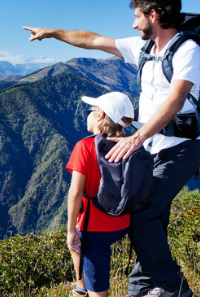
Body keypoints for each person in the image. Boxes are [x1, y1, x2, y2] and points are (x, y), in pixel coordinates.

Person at [22, 0, 200, 297]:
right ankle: (144, 286)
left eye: (137, 17)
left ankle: (173, 288)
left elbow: (176, 100)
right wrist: (53, 32)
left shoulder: (188, 50)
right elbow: (93, 40)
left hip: (180, 149)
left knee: (142, 210)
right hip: (150, 150)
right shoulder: (144, 49)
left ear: (154, 15)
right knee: (152, 215)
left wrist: (136, 139)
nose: (134, 24)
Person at [66, 92, 134, 297]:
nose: (86, 115)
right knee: (80, 246)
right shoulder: (131, 144)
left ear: (100, 115)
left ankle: (83, 290)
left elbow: (76, 192)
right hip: (124, 220)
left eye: (90, 111)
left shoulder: (85, 146)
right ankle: (80, 288)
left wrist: (70, 230)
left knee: (77, 244)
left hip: (94, 226)